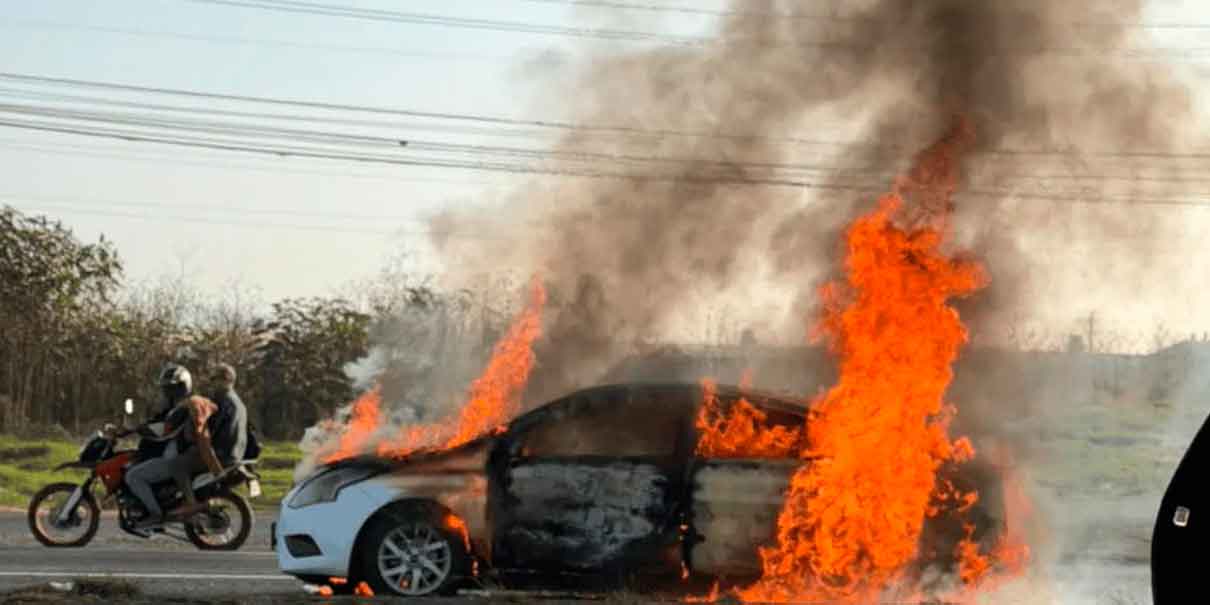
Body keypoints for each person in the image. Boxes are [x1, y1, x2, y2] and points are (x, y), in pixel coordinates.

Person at [125, 364, 226, 527]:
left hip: (173, 458)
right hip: (176, 455)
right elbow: (159, 424)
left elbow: (163, 431)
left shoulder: (182, 409)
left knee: (132, 476)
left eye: (171, 388)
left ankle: (155, 514)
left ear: (182, 387)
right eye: (166, 389)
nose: (168, 392)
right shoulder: (180, 407)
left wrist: (136, 429)